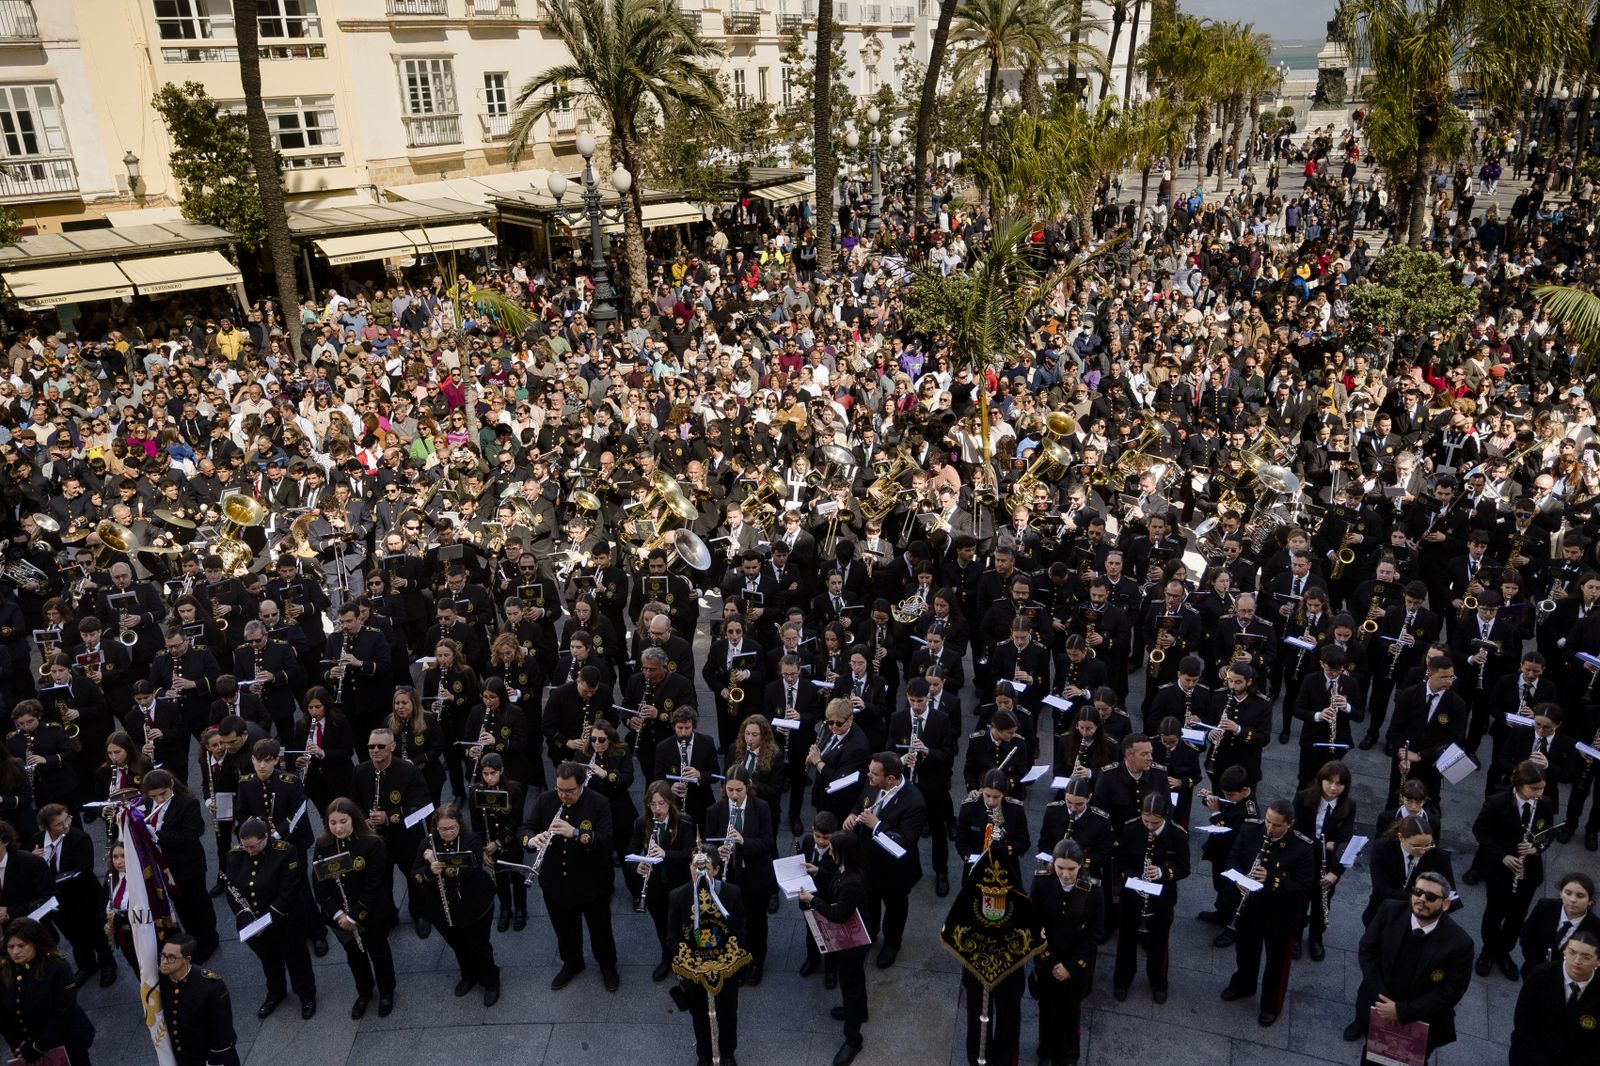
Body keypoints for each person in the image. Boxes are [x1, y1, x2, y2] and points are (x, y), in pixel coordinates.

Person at [1342, 870, 1475, 1057]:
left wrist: (1401, 1011)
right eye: (1417, 892)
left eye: (1430, 897)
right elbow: (1367, 951)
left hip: (1422, 1019)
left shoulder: (1460, 943)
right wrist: (1383, 1002)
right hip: (1379, 1004)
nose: (1421, 899)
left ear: (1445, 904)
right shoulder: (1390, 910)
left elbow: (1451, 991)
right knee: (1371, 1055)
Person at [522, 760, 619, 992]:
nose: (564, 795)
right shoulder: (545, 800)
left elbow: (606, 840)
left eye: (570, 790)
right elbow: (526, 827)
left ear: (582, 785)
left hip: (591, 881)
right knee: (564, 928)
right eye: (560, 789)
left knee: (600, 928)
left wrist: (575, 832)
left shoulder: (598, 802)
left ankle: (607, 965)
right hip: (556, 880)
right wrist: (532, 840)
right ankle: (572, 962)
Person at [1218, 798, 1314, 1027]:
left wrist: (1271, 880)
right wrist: (1239, 881)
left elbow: (1303, 887)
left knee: (1276, 964)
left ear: (1290, 824)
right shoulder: (1251, 829)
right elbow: (1233, 859)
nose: (1270, 828)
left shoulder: (1302, 847)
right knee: (1246, 952)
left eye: (1276, 825)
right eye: (1268, 821)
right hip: (1250, 908)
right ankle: (1244, 984)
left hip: (1280, 916)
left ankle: (1270, 1005)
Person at [223, 817, 318, 1020]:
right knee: (268, 961)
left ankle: (306, 995)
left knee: (296, 960)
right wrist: (246, 918)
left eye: (253, 846)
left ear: (266, 837)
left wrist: (267, 920)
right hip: (253, 923)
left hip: (284, 920)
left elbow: (288, 891)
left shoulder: (285, 852)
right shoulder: (235, 855)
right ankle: (276, 992)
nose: (249, 851)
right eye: (245, 846)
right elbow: (231, 890)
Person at [311, 798, 396, 1019]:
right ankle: (364, 991)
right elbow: (318, 884)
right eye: (333, 823)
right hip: (339, 918)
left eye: (343, 821)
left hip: (370, 912)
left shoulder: (371, 843)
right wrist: (339, 914)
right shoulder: (323, 844)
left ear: (353, 820)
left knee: (379, 952)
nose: (338, 828)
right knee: (354, 956)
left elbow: (373, 884)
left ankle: (386, 991)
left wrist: (354, 915)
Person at [1472, 760, 1557, 979]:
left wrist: (1536, 848)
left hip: (1529, 872)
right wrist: (1502, 856)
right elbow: (1480, 831)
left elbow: (1548, 834)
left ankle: (1504, 951)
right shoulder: (1497, 802)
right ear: (1519, 784)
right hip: (1500, 870)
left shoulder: (1545, 804)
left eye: (1542, 788)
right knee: (1494, 912)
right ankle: (1488, 950)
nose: (1538, 793)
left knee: (1517, 916)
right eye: (1533, 788)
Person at [412, 804, 499, 1007]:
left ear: (459, 824)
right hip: (441, 908)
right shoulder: (427, 843)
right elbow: (415, 874)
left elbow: (470, 869)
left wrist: (437, 864)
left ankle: (491, 980)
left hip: (474, 904)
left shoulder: (471, 840)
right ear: (436, 827)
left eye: (452, 827)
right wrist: (429, 871)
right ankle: (468, 975)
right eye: (443, 829)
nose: (448, 833)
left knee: (479, 945)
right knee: (458, 945)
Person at [845, 751, 925, 969]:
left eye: (873, 773)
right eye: (869, 771)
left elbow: (906, 842)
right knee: (869, 900)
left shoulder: (914, 802)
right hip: (867, 861)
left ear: (890, 779)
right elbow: (861, 802)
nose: (868, 776)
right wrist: (852, 814)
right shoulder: (874, 782)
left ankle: (892, 942)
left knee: (895, 907)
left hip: (895, 870)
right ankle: (870, 932)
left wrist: (877, 825)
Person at [798, 826, 870, 1066]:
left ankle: (853, 1039)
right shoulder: (848, 869)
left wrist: (812, 900)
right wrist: (818, 870)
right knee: (856, 979)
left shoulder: (852, 882)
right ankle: (859, 1012)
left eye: (832, 850)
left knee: (850, 986)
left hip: (853, 944)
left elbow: (838, 914)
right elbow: (835, 880)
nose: (828, 853)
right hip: (858, 938)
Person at [668, 848, 747, 1066]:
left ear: (716, 870)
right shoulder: (678, 896)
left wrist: (724, 958)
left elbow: (741, 931)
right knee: (700, 1015)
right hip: (695, 973)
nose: (699, 871)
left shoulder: (731, 893)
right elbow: (672, 938)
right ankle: (703, 1054)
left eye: (705, 867)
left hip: (724, 970)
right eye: (695, 866)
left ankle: (728, 1052)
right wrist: (692, 959)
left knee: (728, 1014)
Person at [1111, 792, 1189, 1004]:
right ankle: (1122, 979)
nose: (1150, 827)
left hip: (1162, 897)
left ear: (1164, 817)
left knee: (1159, 942)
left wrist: (1164, 872)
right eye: (1146, 821)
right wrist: (1132, 876)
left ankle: (1158, 982)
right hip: (1133, 893)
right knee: (1126, 940)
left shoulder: (1178, 835)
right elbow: (1121, 859)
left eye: (1155, 823)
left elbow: (1184, 868)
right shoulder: (1132, 828)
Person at [1031, 840, 1103, 1066]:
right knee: (1047, 1009)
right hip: (1048, 960)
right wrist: (1051, 962)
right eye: (1060, 867)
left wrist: (1071, 966)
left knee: (1071, 1011)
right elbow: (1035, 926)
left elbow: (1095, 933)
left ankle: (1069, 1054)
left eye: (1071, 869)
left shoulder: (1093, 890)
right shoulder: (1041, 883)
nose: (1065, 874)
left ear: (1080, 865)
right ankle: (1046, 1051)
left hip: (1076, 963)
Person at [140, 770, 220, 964]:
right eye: (154, 796)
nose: (159, 799)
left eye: (163, 794)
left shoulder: (187, 803)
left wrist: (157, 835)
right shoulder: (148, 803)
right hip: (164, 866)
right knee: (181, 905)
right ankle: (192, 940)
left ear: (171, 786)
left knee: (198, 904)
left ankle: (209, 940)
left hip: (187, 864)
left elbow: (190, 834)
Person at [705, 767, 776, 984]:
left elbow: (768, 843)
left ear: (748, 787)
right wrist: (717, 853)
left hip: (755, 875)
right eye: (730, 790)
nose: (734, 795)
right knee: (732, 920)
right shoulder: (715, 810)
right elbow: (708, 844)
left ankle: (756, 962)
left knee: (756, 921)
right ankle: (738, 960)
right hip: (729, 876)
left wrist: (744, 842)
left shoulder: (761, 807)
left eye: (739, 790)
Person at [30, 804, 113, 988]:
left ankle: (107, 963)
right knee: (74, 935)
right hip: (57, 901)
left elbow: (83, 870)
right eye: (59, 824)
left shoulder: (79, 838)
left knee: (95, 932)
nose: (66, 825)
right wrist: (33, 860)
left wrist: (49, 880)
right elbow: (29, 870)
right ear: (47, 827)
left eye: (67, 819)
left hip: (83, 896)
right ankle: (86, 965)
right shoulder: (37, 840)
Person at [0, 918, 95, 1066]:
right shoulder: (6, 970)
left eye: (21, 945)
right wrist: (18, 1046)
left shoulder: (57, 967)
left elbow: (63, 1012)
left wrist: (37, 1048)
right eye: (10, 947)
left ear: (36, 943)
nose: (15, 952)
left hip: (67, 1043)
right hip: (28, 1049)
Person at [632, 780, 695, 982]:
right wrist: (638, 865)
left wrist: (665, 854)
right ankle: (667, 959)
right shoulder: (642, 823)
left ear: (669, 802)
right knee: (662, 925)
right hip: (655, 885)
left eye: (661, 803)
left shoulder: (684, 823)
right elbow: (631, 851)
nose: (657, 809)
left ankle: (686, 960)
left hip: (679, 883)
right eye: (652, 804)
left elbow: (690, 854)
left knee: (683, 924)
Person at [1510, 929, 1600, 1065]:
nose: (1577, 961)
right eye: (1572, 952)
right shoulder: (1540, 975)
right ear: (1564, 951)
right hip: (1531, 1056)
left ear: (1598, 962)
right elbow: (1523, 1023)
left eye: (1586, 957)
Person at [157, 932, 240, 1066]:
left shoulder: (211, 986)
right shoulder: (162, 980)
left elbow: (222, 1031)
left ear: (187, 959)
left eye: (171, 957)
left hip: (210, 1059)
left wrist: (214, 1062)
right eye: (163, 955)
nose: (164, 961)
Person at [1519, 872, 1600, 978]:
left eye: (1580, 896)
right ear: (1561, 893)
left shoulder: (1596, 927)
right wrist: (1536, 964)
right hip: (1533, 970)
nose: (1572, 900)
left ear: (1590, 901)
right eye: (1568, 893)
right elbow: (1526, 935)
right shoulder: (1545, 906)